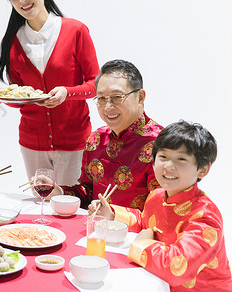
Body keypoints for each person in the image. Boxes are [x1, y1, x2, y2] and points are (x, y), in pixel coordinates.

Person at [89, 121, 232, 292]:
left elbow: (177, 265)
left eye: (181, 159)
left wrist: (142, 245)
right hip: (162, 288)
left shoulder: (205, 217)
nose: (169, 166)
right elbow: (146, 222)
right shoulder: (157, 195)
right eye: (163, 157)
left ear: (203, 170)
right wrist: (112, 214)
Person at [0, 0, 99, 185]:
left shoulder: (76, 31)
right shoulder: (11, 41)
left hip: (73, 140)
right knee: (39, 207)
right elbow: (21, 96)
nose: (22, 2)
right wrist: (3, 99)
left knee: (70, 206)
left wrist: (67, 93)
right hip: (32, 143)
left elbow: (95, 85)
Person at [54, 59, 163, 210]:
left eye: (117, 97)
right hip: (97, 229)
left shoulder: (161, 145)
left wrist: (115, 215)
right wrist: (59, 192)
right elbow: (88, 193)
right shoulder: (96, 139)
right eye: (101, 98)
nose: (108, 107)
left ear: (140, 97)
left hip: (138, 232)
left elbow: (161, 209)